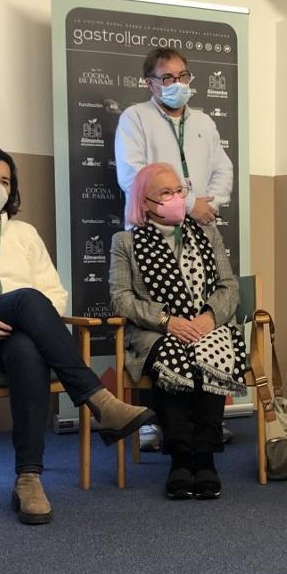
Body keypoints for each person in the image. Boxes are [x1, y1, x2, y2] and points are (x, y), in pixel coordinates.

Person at [0, 146, 155, 525]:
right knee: (24, 299)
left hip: (17, 339)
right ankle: (99, 401)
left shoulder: (23, 233)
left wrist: (33, 321)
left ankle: (28, 478)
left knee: (26, 343)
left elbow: (56, 295)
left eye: (5, 181)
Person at [114, 46, 235, 452]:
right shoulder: (135, 118)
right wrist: (184, 202)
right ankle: (160, 423)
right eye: (167, 79)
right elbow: (133, 176)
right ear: (150, 83)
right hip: (150, 233)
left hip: (198, 229)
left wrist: (206, 205)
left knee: (205, 322)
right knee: (166, 331)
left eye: (183, 76)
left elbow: (223, 169)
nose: (177, 85)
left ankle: (203, 424)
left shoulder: (203, 121)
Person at [109, 162, 246, 500]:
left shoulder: (208, 233)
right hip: (156, 331)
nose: (175, 198)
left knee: (213, 351)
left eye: (179, 191)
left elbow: (229, 286)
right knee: (171, 354)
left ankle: (206, 457)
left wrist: (209, 318)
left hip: (207, 326)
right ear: (145, 202)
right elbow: (120, 297)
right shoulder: (125, 242)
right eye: (165, 193)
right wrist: (166, 321)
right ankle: (181, 458)